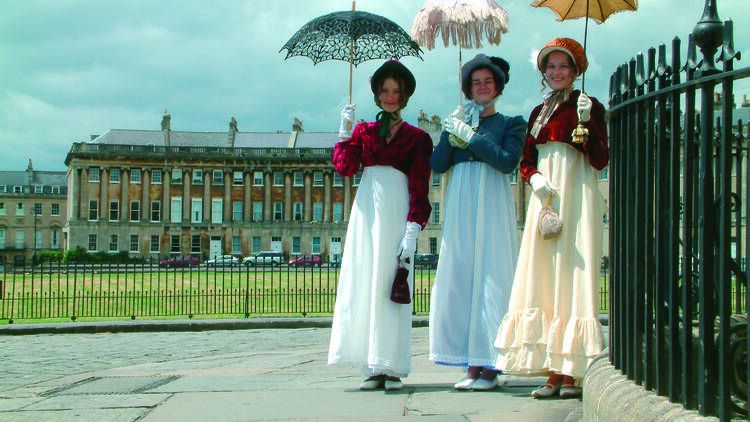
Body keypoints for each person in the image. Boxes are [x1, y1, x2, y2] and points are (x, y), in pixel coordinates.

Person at [493, 37, 609, 399]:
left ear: (577, 71)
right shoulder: (537, 114)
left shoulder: (590, 107)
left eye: (564, 66)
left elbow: (601, 159)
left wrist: (587, 124)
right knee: (543, 275)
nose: (557, 72)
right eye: (551, 66)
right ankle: (551, 370)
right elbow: (526, 161)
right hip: (545, 202)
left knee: (572, 274)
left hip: (577, 196)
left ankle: (572, 371)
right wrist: (536, 179)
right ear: (543, 72)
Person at [327, 60, 433, 391]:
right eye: (385, 91)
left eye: (396, 92)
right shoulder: (364, 132)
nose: (390, 97)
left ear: (405, 97)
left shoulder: (419, 138)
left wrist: (413, 230)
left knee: (391, 288)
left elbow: (420, 187)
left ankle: (392, 366)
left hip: (396, 212)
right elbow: (345, 168)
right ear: (377, 95)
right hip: (367, 215)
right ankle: (371, 367)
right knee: (364, 283)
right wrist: (344, 132)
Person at [428, 54, 526, 391]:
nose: (482, 87)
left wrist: (471, 137)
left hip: (492, 199)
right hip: (460, 202)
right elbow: (439, 164)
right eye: (475, 82)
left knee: (491, 275)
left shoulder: (511, 123)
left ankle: (492, 365)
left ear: (497, 87)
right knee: (462, 277)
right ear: (468, 90)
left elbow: (506, 161)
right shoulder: (459, 122)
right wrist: (448, 132)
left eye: (487, 81)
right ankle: (470, 362)